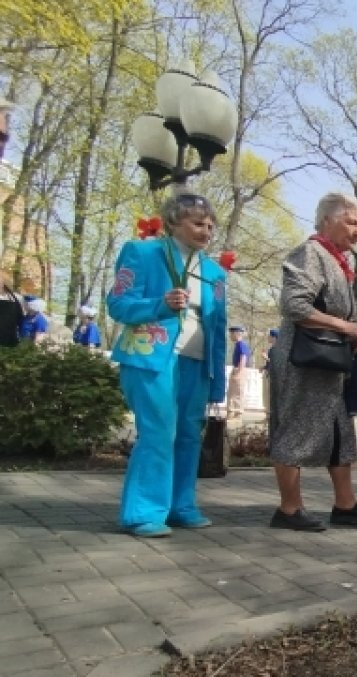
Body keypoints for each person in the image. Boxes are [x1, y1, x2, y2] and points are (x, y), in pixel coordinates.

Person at [106, 192, 227, 537]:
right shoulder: (143, 252)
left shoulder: (216, 273)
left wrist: (216, 380)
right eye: (197, 223)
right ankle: (143, 512)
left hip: (197, 362)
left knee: (189, 435)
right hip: (153, 357)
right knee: (159, 432)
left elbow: (217, 328)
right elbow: (118, 303)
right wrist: (158, 304)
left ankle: (181, 506)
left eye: (210, 225)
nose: (206, 231)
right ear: (174, 221)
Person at [268, 192, 357, 532]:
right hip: (303, 362)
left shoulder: (336, 262)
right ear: (325, 222)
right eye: (351, 221)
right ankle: (289, 509)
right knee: (296, 432)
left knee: (339, 433)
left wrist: (356, 335)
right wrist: (346, 326)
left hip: (330, 367)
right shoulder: (310, 253)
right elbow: (295, 306)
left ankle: (345, 505)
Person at [226, 325, 251, 418]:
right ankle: (231, 411)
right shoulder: (238, 345)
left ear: (236, 334)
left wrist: (239, 371)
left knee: (237, 392)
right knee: (232, 392)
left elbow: (243, 358)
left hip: (239, 369)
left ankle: (237, 413)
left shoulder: (241, 345)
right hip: (236, 368)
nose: (230, 336)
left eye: (231, 334)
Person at [261, 328, 277, 417]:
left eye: (269, 336)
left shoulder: (276, 349)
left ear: (273, 337)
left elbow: (275, 362)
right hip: (268, 372)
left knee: (269, 395)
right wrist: (263, 367)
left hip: (271, 375)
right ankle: (267, 415)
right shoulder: (271, 349)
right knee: (265, 395)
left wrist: (265, 357)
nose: (268, 338)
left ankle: (270, 416)